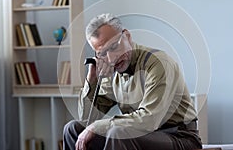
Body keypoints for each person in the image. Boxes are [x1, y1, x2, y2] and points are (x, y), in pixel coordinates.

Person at [63, 13, 202, 150]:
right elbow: (87, 120)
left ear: (127, 36)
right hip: (140, 135)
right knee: (73, 129)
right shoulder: (112, 70)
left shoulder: (159, 63)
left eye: (113, 47)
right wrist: (92, 79)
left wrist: (98, 126)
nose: (111, 59)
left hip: (179, 136)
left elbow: (149, 120)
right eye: (103, 53)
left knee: (118, 133)